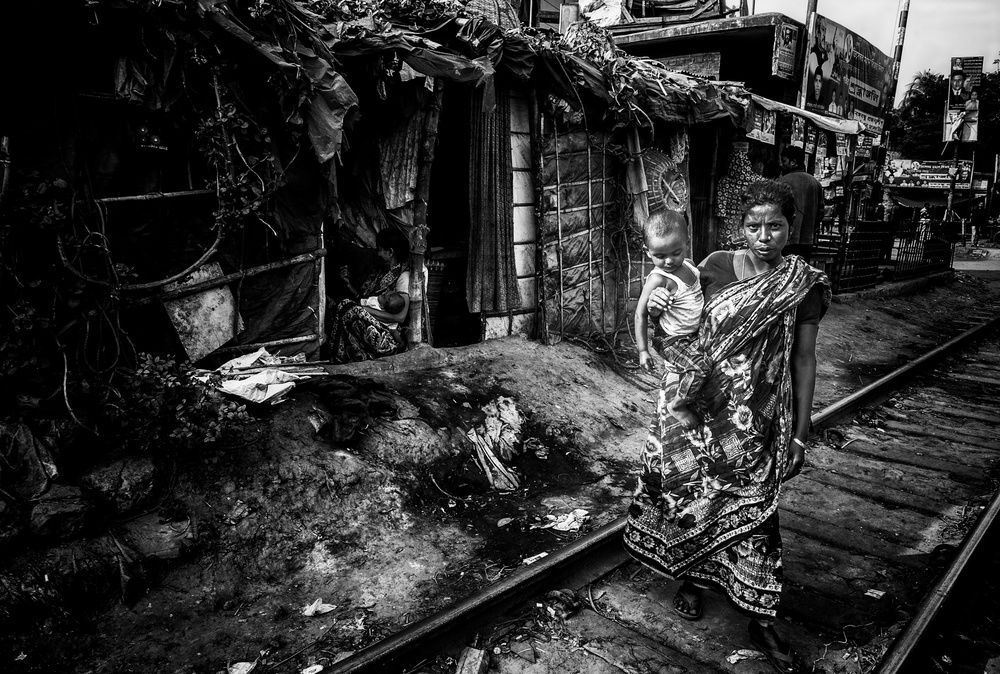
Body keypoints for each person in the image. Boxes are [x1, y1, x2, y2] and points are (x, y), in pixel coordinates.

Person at [624, 180, 830, 674]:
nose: (764, 235)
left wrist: (800, 432)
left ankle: (760, 614)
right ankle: (693, 579)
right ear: (740, 228)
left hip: (756, 419)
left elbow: (803, 360)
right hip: (698, 412)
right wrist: (653, 317)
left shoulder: (802, 284)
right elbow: (681, 329)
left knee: (757, 509)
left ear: (790, 227)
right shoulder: (712, 266)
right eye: (754, 226)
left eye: (775, 225)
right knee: (690, 496)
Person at [633, 211, 707, 430]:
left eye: (676, 252)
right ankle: (677, 405)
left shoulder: (691, 266)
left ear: (687, 243)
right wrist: (642, 350)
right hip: (672, 340)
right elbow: (640, 314)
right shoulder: (658, 278)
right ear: (647, 252)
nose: (668, 261)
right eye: (659, 255)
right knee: (699, 368)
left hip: (693, 335)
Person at [328, 227, 412, 363]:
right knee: (342, 305)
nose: (377, 253)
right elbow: (363, 300)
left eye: (379, 249)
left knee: (348, 307)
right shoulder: (380, 273)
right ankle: (343, 356)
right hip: (376, 326)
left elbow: (400, 317)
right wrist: (348, 284)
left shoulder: (403, 277)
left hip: (389, 338)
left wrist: (364, 311)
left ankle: (339, 357)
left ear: (390, 252)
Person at [776, 146, 824, 261]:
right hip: (807, 240)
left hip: (785, 240)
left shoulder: (780, 182)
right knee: (802, 274)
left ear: (793, 162)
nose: (781, 164)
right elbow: (820, 213)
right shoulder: (815, 183)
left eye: (784, 161)